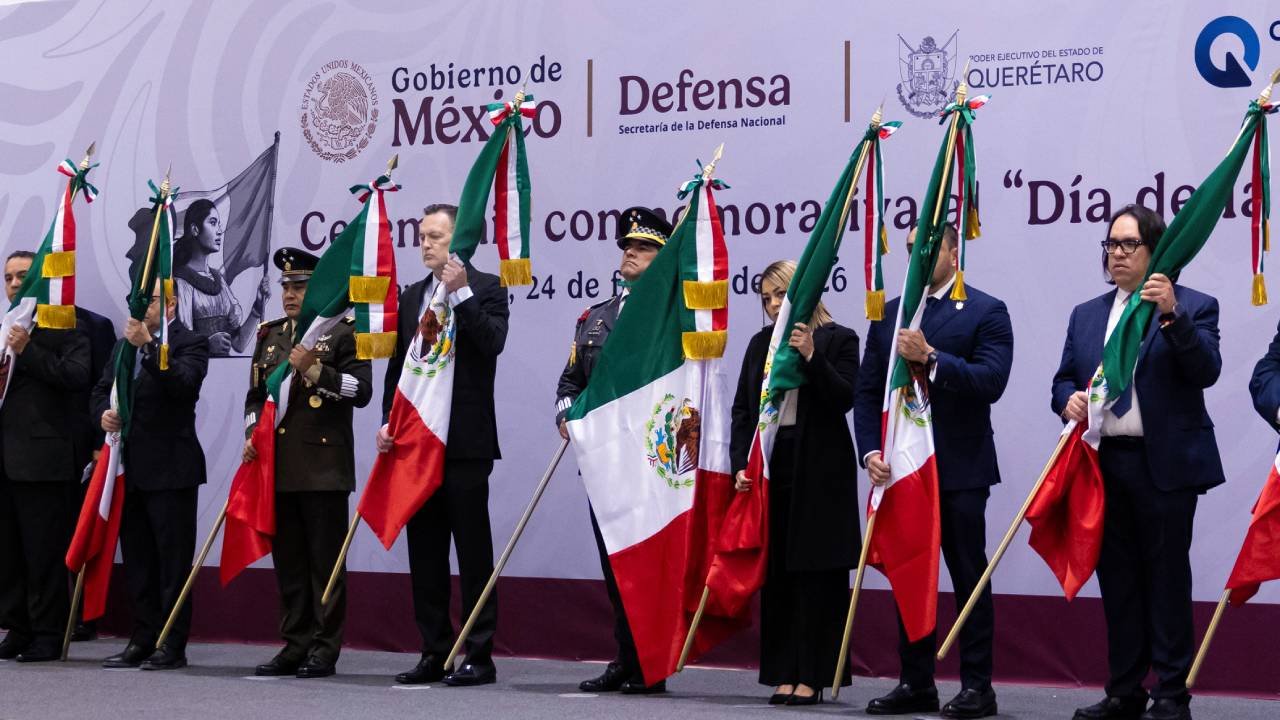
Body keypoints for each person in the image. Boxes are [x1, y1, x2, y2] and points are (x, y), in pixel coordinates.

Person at [1053, 205, 1223, 720]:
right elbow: (1063, 379)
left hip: (1165, 467)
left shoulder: (1194, 304)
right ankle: (1125, 690)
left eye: (1128, 245)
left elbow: (1205, 370)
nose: (1117, 254)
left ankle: (1171, 693)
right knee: (1119, 581)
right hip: (1106, 465)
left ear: (1156, 251)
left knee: (1168, 580)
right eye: (1110, 244)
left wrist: (1171, 315)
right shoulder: (1087, 314)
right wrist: (1067, 401)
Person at [854, 223, 1013, 719]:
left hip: (959, 468)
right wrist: (869, 452)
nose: (916, 258)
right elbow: (866, 392)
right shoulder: (890, 316)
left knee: (968, 574)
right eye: (908, 251)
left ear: (952, 252)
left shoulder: (986, 310)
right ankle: (915, 681)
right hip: (902, 469)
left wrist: (932, 358)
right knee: (909, 572)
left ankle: (977, 687)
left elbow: (991, 380)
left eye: (926, 250)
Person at [379, 203, 508, 687]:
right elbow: (399, 371)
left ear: (459, 240)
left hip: (465, 443)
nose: (426, 243)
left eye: (435, 236)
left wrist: (462, 294)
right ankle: (434, 649)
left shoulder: (489, 287)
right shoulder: (411, 297)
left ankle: (479, 653)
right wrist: (386, 423)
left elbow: (492, 343)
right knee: (426, 554)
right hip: (416, 443)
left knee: (473, 552)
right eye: (422, 235)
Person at [729, 260, 860, 705]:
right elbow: (743, 411)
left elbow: (845, 397)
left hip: (820, 472)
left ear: (802, 294)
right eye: (765, 297)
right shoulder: (759, 344)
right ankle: (784, 672)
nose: (771, 305)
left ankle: (814, 674)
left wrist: (810, 355)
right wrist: (739, 465)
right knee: (781, 573)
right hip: (772, 467)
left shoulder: (838, 339)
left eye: (779, 294)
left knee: (816, 575)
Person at [554, 206, 670, 695]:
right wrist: (565, 414)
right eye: (627, 245)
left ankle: (651, 664)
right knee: (614, 563)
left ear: (663, 258)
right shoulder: (595, 318)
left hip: (648, 461)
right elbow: (570, 380)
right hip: (602, 462)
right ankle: (626, 656)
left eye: (642, 247)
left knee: (646, 564)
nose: (629, 253)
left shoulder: (670, 316)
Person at [247, 247, 372, 679]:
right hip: (277, 468)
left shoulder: (344, 330)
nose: (290, 295)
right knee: (291, 564)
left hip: (323, 468)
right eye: (286, 287)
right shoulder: (271, 334)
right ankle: (294, 643)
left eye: (299, 286)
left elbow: (362, 390)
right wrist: (251, 434)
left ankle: (323, 647)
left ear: (317, 288)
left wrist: (316, 371)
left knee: (325, 565)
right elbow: (255, 399)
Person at [93, 277, 209, 670]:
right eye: (139, 301)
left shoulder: (190, 342)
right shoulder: (122, 347)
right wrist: (103, 415)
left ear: (172, 305)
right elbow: (101, 390)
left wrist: (148, 345)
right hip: (131, 468)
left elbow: (183, 384)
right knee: (140, 561)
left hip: (172, 468)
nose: (143, 308)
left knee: (172, 563)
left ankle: (171, 643)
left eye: (153, 301)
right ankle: (141, 638)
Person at [0, 251, 92, 662]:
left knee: (43, 553)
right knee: (9, 553)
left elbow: (77, 376)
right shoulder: (3, 326)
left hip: (43, 462)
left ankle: (47, 633)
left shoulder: (64, 324)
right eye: (9, 277)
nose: (16, 284)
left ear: (39, 279)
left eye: (23, 275)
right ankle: (16, 628)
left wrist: (31, 349)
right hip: (4, 459)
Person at [172, 198, 269, 355]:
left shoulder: (219, 281)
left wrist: (257, 308)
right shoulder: (181, 282)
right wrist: (206, 345)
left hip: (224, 374)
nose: (219, 230)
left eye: (218, 224)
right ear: (195, 229)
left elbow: (239, 344)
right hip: (195, 375)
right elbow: (179, 346)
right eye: (212, 222)